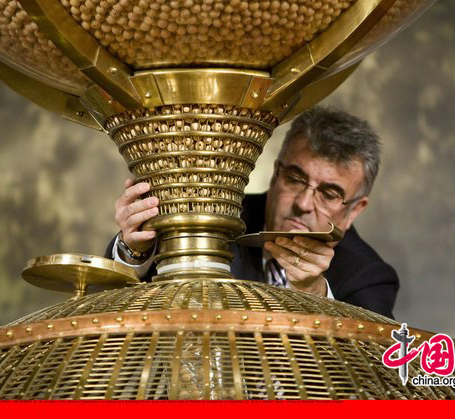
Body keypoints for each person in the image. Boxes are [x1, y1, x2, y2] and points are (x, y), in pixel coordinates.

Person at [106, 106, 399, 318]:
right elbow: (114, 310)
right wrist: (134, 251)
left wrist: (315, 294)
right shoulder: (216, 216)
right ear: (275, 173)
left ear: (355, 210)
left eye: (329, 194)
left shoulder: (368, 276)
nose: (304, 203)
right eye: (294, 179)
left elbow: (368, 376)